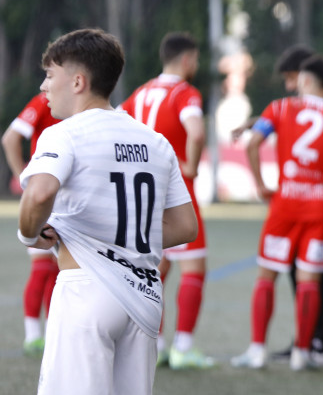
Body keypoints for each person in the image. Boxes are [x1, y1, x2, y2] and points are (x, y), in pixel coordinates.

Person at [18, 28, 197, 395]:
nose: (44, 86)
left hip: (86, 291)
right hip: (144, 297)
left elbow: (39, 194)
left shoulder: (63, 133)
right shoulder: (155, 141)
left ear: (78, 81)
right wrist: (120, 232)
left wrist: (29, 234)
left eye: (50, 75)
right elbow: (185, 226)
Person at [232, 54, 323, 371]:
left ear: (305, 81)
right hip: (319, 207)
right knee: (310, 279)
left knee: (267, 274)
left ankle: (256, 351)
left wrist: (260, 184)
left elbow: (253, 143)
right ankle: (303, 353)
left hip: (285, 204)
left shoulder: (281, 108)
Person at [120, 32, 214, 369]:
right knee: (194, 268)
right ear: (187, 60)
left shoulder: (142, 91)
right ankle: (183, 348)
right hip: (177, 191)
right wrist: (190, 165)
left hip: (144, 192)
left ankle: (154, 344)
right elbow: (197, 131)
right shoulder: (185, 92)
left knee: (155, 268)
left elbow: (118, 122)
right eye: (197, 59)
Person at [2, 92, 60, 355]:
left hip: (66, 197)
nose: (44, 84)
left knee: (60, 272)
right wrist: (25, 180)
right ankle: (34, 334)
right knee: (42, 268)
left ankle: (51, 332)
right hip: (47, 196)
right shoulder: (46, 100)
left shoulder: (80, 103)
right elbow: (10, 137)